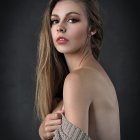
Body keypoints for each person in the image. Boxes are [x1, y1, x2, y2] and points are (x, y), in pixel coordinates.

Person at [35, 0, 120, 139]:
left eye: (72, 20)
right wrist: (43, 131)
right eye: (55, 21)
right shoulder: (91, 75)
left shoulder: (78, 80)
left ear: (92, 28)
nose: (60, 27)